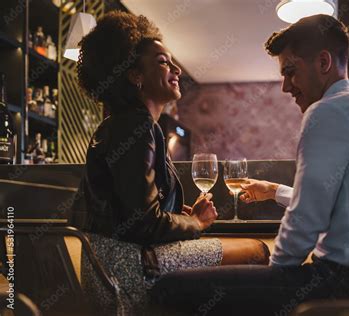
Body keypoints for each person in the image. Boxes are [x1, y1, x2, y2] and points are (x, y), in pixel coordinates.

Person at [152, 14, 349, 315]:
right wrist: (275, 191)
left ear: (324, 62)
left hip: (342, 283)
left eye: (291, 72)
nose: (285, 87)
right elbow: (335, 203)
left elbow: (307, 218)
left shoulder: (327, 111)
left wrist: (273, 274)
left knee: (169, 287)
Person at [70, 11, 269, 314]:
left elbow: (130, 209)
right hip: (126, 270)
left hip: (105, 264)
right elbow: (143, 223)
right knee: (257, 250)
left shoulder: (122, 125)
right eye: (163, 62)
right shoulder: (137, 127)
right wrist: (197, 222)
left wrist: (176, 212)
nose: (176, 68)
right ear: (135, 75)